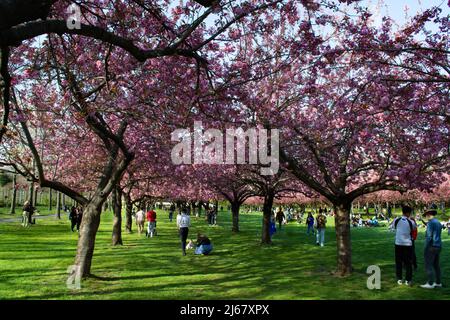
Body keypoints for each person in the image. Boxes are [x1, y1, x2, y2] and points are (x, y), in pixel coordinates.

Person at [420, 205, 443, 289]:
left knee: (428, 265)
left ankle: (430, 283)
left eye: (426, 215)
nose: (425, 217)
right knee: (436, 265)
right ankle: (438, 282)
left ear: (429, 214)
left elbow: (429, 237)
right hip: (438, 245)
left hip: (431, 246)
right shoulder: (438, 222)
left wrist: (426, 248)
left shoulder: (430, 223)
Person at [393, 205, 417, 286]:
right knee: (408, 263)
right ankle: (408, 280)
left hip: (398, 243)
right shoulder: (411, 222)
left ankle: (399, 279)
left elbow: (393, 227)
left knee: (398, 262)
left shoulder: (396, 220)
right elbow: (414, 228)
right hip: (407, 244)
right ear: (408, 213)